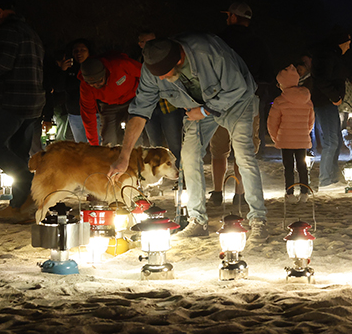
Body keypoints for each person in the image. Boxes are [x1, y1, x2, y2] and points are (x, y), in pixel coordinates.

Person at [108, 34, 268, 240]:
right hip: (196, 108)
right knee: (189, 157)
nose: (162, 80)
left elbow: (238, 88)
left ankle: (258, 219)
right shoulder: (152, 71)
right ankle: (197, 220)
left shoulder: (208, 52)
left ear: (180, 58)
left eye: (165, 74)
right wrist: (124, 157)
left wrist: (204, 112)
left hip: (237, 102)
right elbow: (139, 113)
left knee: (244, 154)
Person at [210, 2, 271, 205]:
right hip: (249, 102)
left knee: (218, 150)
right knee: (244, 151)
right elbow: (267, 75)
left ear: (233, 17)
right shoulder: (258, 42)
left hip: (220, 102)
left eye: (228, 15)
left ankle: (217, 192)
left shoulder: (219, 41)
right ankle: (240, 194)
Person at [0, 0, 44, 222]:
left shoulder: (8, 32)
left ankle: (28, 185)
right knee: (17, 152)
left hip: (10, 100)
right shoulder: (31, 32)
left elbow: (1, 64)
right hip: (31, 101)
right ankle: (20, 205)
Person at [138, 31, 184, 170]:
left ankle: (179, 174)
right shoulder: (139, 62)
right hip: (151, 109)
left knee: (175, 142)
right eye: (146, 42)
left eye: (154, 41)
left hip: (169, 106)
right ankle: (159, 173)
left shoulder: (167, 58)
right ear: (140, 44)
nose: (152, 45)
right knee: (154, 143)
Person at [310, 26, 349, 188]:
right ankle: (325, 180)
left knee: (336, 141)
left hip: (329, 102)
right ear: (341, 42)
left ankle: (332, 177)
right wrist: (334, 96)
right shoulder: (326, 55)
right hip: (325, 102)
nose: (349, 46)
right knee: (331, 141)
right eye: (348, 42)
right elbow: (321, 79)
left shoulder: (331, 55)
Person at [268, 65, 315, 201]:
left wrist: (276, 138)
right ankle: (304, 193)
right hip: (301, 139)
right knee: (302, 166)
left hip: (285, 139)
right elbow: (311, 121)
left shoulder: (279, 100)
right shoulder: (307, 99)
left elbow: (272, 123)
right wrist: (305, 133)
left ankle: (290, 193)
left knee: (288, 167)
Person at [78, 52, 142, 146]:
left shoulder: (120, 65)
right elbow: (88, 115)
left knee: (134, 137)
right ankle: (109, 159)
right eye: (92, 84)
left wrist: (142, 95)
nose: (96, 85)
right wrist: (94, 144)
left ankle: (136, 157)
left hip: (132, 100)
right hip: (109, 106)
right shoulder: (85, 87)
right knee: (108, 139)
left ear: (105, 73)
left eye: (99, 81)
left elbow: (145, 74)